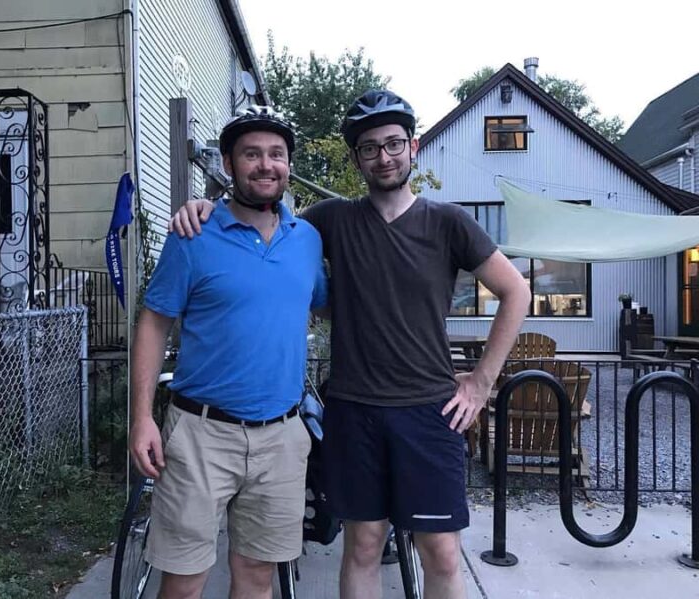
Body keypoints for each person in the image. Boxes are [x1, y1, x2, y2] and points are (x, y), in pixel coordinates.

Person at [169, 89, 531, 599]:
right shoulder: (330, 221)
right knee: (362, 546)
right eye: (369, 147)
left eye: (393, 144)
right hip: (354, 409)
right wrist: (204, 207)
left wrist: (480, 382)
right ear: (356, 157)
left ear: (414, 146)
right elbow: (260, 220)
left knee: (443, 553)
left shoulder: (448, 223)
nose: (383, 156)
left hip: (430, 410)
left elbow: (517, 290)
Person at [130, 105, 328, 599]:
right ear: (229, 162)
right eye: (252, 153)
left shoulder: (307, 240)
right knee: (183, 581)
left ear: (288, 164)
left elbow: (332, 309)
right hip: (200, 435)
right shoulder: (193, 235)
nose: (266, 164)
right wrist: (140, 418)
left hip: (281, 438)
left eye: (277, 154)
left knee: (258, 579)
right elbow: (154, 323)